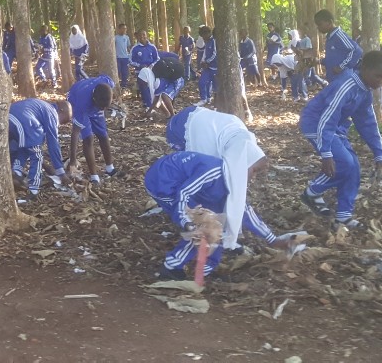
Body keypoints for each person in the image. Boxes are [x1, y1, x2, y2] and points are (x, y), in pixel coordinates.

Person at [144, 151, 286, 280]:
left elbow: (244, 210)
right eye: (254, 170)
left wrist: (271, 238)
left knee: (217, 222)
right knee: (203, 226)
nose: (253, 178)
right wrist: (186, 221)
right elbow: (184, 193)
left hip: (183, 186)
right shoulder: (213, 171)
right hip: (162, 183)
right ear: (243, 163)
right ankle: (171, 267)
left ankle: (205, 269)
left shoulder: (234, 180)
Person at [297, 50, 382, 229]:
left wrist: (380, 154)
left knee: (354, 166)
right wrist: (326, 153)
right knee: (345, 163)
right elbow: (327, 117)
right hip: (316, 124)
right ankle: (312, 191)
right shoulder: (347, 84)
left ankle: (343, 216)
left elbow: (367, 123)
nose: (380, 82)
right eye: (378, 76)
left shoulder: (364, 91)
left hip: (335, 128)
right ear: (365, 69)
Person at [164, 105, 273, 253]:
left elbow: (235, 194)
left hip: (200, 121)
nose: (253, 177)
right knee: (202, 186)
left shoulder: (243, 142)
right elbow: (225, 192)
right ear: (244, 160)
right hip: (182, 128)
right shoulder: (210, 158)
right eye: (254, 171)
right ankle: (189, 221)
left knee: (216, 187)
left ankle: (206, 226)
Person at [10, 98, 73, 190]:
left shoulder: (44, 108)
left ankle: (15, 172)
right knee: (35, 148)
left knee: (21, 145)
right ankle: (33, 189)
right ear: (61, 110)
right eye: (63, 121)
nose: (59, 124)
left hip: (9, 116)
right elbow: (53, 143)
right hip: (22, 120)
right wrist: (61, 172)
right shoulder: (52, 113)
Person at [67, 75, 119, 185]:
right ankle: (94, 176)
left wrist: (104, 106)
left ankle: (110, 168)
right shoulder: (82, 105)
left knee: (103, 134)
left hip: (93, 100)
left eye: (106, 107)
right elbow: (75, 133)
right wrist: (72, 160)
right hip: (76, 100)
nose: (103, 109)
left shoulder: (108, 82)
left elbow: (104, 99)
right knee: (88, 138)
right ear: (95, 100)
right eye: (102, 107)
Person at [315, 10, 362, 82]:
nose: (318, 27)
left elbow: (356, 51)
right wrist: (320, 61)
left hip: (343, 79)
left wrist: (341, 67)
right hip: (333, 79)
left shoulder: (339, 36)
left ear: (329, 22)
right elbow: (333, 58)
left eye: (320, 24)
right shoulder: (329, 38)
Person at [196, 26, 218, 104]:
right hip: (207, 67)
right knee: (202, 82)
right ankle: (203, 99)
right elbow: (205, 53)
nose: (203, 38)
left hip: (215, 67)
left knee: (215, 87)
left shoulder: (214, 41)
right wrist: (202, 61)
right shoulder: (207, 42)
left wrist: (207, 61)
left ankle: (212, 100)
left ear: (208, 33)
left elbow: (215, 54)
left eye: (204, 35)